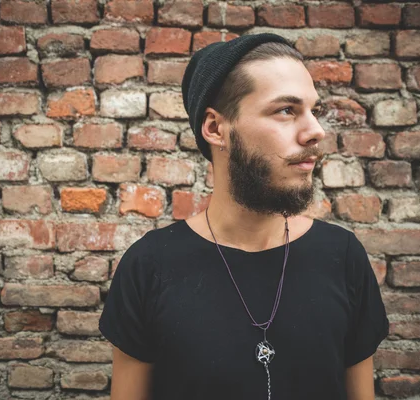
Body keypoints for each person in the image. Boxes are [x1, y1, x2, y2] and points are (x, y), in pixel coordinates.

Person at [99, 33, 389, 400]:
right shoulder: (149, 266)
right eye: (286, 110)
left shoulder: (342, 256)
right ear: (216, 128)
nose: (316, 130)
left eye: (313, 110)